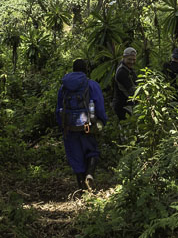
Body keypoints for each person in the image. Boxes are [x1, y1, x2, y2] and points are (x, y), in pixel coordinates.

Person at [55, 59, 107, 190]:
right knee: (92, 151)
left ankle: (82, 189)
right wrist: (102, 121)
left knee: (75, 157)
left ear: (73, 69)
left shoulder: (64, 88)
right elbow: (99, 106)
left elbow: (58, 109)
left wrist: (63, 125)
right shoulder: (92, 85)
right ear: (86, 70)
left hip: (70, 128)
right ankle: (89, 175)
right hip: (87, 125)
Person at [111, 47, 138, 120]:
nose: (132, 62)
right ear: (124, 57)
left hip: (128, 105)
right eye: (129, 59)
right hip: (123, 107)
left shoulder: (128, 68)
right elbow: (133, 91)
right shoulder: (122, 72)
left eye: (134, 59)